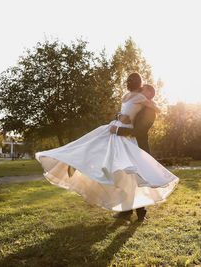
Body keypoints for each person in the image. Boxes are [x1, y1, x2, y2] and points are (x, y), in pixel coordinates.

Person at [35, 73, 179, 221]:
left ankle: (76, 161)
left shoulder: (126, 96)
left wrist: (120, 120)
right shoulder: (140, 98)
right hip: (122, 134)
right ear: (140, 86)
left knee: (96, 146)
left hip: (121, 132)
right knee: (119, 168)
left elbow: (133, 121)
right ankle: (127, 208)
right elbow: (156, 109)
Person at [109, 84, 157, 219]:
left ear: (149, 93)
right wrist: (120, 116)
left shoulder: (150, 111)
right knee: (125, 177)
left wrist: (118, 130)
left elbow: (139, 131)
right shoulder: (136, 101)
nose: (140, 90)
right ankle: (126, 210)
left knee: (137, 179)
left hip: (139, 148)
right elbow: (123, 113)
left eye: (144, 89)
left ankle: (141, 212)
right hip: (126, 145)